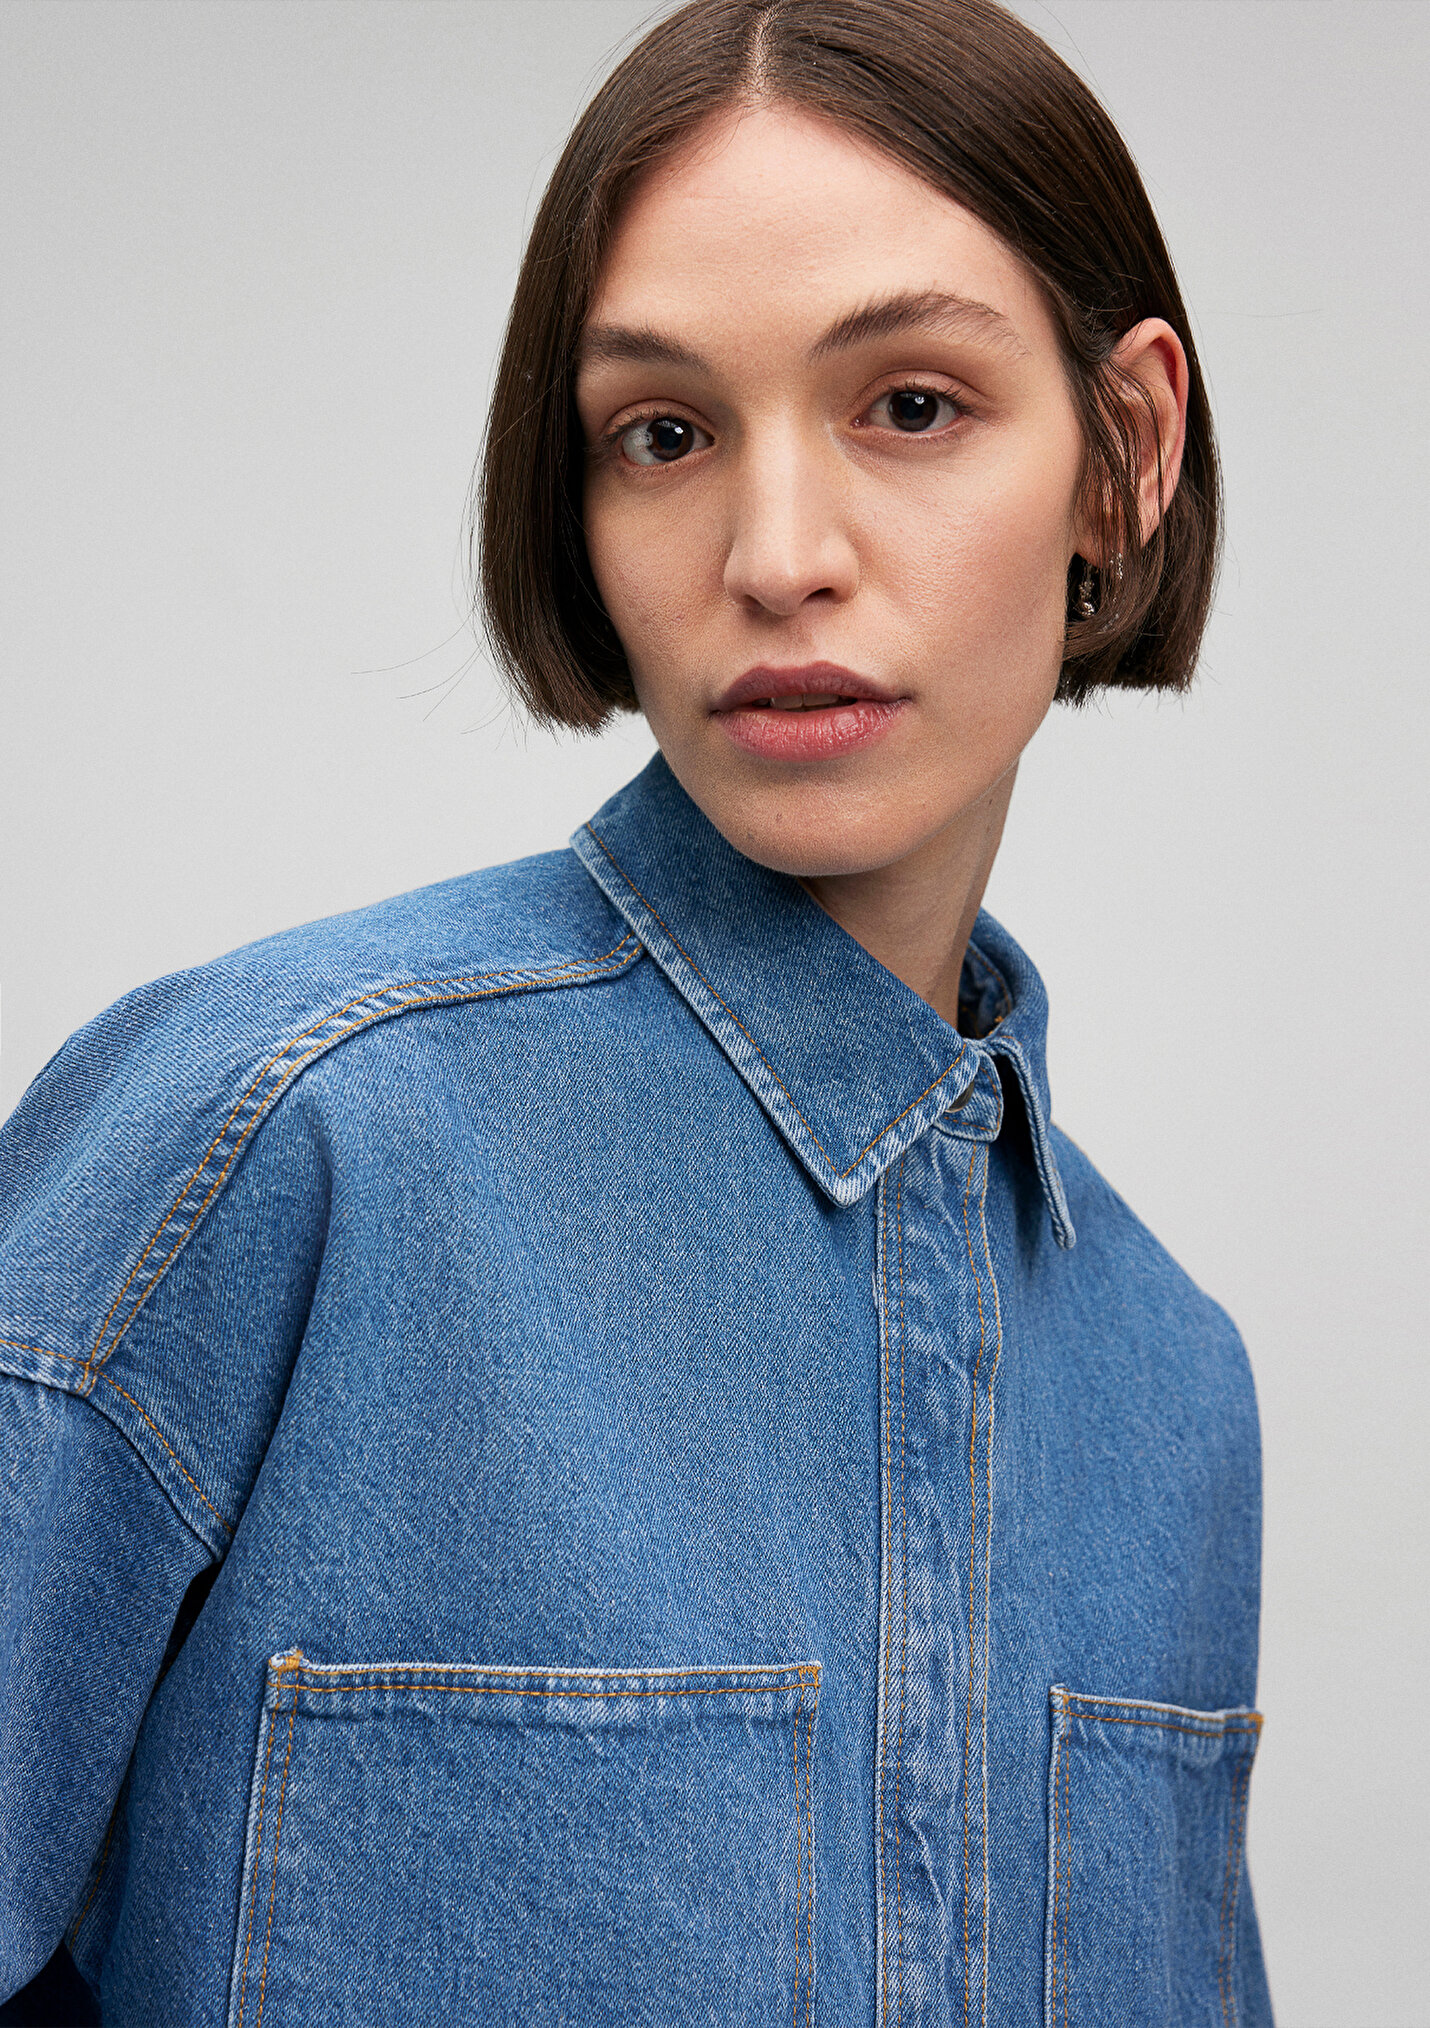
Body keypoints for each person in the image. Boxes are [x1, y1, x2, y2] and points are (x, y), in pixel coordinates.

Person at [0, 0, 1273, 2020]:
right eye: (661, 434)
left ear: (1125, 451)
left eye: (910, 404)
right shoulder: (273, 1138)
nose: (775, 558)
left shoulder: (1171, 1383)